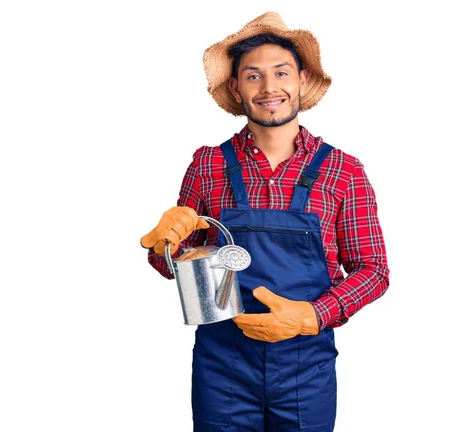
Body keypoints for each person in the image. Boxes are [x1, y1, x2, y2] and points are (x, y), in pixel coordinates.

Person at [140, 11, 390, 431]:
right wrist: (165, 245)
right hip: (223, 366)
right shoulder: (208, 165)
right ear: (236, 87)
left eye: (281, 73)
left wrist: (313, 314)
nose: (269, 87)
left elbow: (374, 271)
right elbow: (175, 268)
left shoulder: (343, 171)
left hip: (305, 367)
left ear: (301, 80)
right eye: (253, 76)